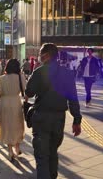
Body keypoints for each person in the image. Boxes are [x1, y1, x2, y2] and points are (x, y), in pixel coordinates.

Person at [25, 43, 82, 179]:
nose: (39, 57)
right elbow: (73, 98)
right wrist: (77, 120)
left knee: (42, 156)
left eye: (40, 54)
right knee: (52, 152)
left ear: (46, 55)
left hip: (42, 117)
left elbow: (29, 92)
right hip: (59, 118)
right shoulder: (67, 73)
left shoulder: (39, 72)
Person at [0, 59, 26, 161]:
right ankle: (17, 147)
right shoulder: (20, 77)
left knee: (7, 126)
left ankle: (10, 150)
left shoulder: (1, 79)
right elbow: (24, 89)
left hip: (5, 104)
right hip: (16, 103)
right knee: (17, 125)